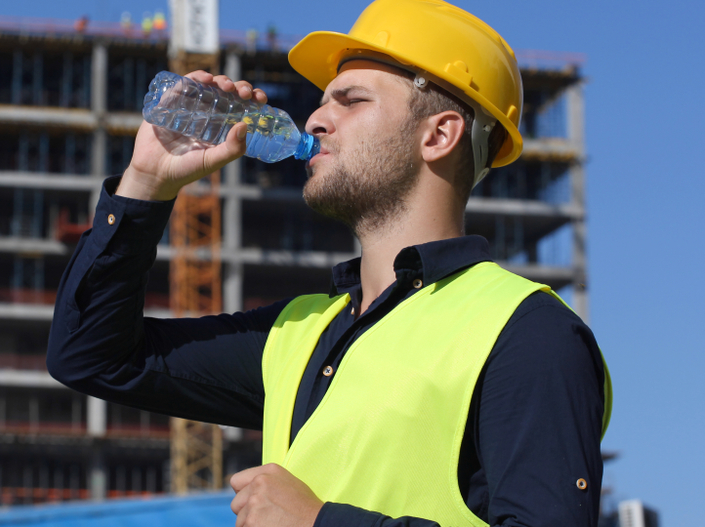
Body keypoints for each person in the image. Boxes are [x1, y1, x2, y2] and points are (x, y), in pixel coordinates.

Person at [47, 0, 612, 526]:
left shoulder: (526, 333)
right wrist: (145, 182)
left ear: (439, 135)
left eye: (352, 100)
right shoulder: (300, 333)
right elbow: (92, 357)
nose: (315, 120)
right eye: (323, 100)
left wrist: (319, 521)